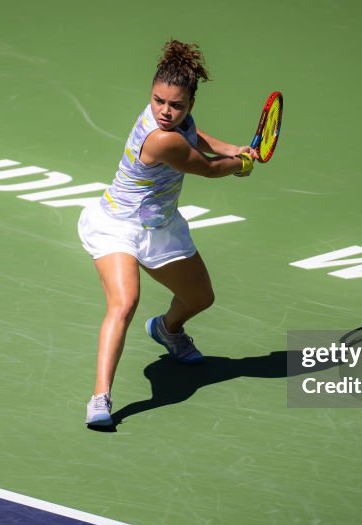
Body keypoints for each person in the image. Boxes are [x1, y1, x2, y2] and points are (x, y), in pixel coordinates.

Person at [79, 39, 259, 426]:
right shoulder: (160, 137)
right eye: (159, 101)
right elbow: (209, 169)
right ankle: (100, 399)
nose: (164, 110)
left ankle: (167, 328)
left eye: (175, 105)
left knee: (200, 298)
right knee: (124, 302)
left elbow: (195, 136)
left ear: (189, 105)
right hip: (117, 227)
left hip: (159, 228)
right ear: (152, 95)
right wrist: (240, 164)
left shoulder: (176, 124)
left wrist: (233, 147)